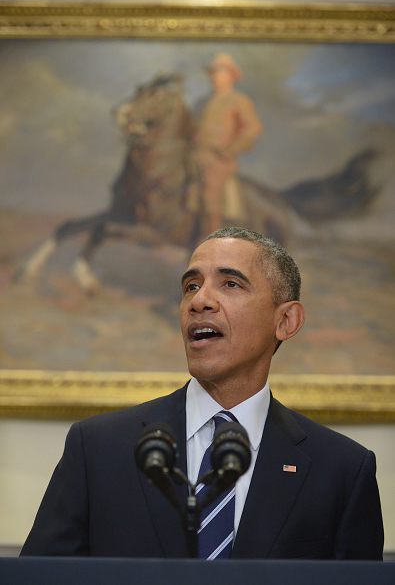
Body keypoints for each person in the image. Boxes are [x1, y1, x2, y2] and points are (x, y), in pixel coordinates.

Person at [20, 227, 384, 559]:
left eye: (230, 284)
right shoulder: (98, 448)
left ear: (286, 321)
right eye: (191, 286)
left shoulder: (341, 470)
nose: (200, 301)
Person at [188, 54, 262, 234]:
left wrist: (231, 149)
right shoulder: (202, 102)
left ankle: (210, 240)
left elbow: (253, 128)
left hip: (219, 158)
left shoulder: (238, 100)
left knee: (210, 195)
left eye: (220, 72)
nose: (215, 76)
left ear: (231, 76)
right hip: (196, 156)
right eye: (213, 72)